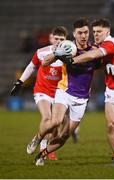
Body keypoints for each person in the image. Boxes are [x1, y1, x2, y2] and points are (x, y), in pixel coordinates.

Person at [58, 18, 114, 166]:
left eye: (99, 31)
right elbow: (96, 59)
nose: (96, 34)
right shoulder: (96, 45)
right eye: (94, 32)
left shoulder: (111, 42)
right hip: (112, 90)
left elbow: (93, 56)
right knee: (110, 125)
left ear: (107, 32)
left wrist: (72, 60)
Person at [26, 18, 101, 166]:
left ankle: (42, 154)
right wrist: (56, 53)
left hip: (82, 99)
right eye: (80, 33)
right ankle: (38, 137)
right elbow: (45, 63)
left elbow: (101, 63)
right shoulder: (67, 47)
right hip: (64, 92)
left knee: (65, 135)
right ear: (74, 34)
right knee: (56, 122)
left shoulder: (94, 50)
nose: (84, 36)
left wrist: (111, 68)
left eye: (86, 32)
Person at [10, 26, 69, 160]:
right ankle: (41, 144)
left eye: (62, 39)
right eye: (56, 38)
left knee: (56, 123)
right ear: (51, 38)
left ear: (66, 40)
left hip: (59, 93)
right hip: (42, 91)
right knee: (47, 117)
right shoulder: (42, 52)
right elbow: (31, 66)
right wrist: (19, 82)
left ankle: (45, 145)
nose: (58, 41)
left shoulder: (69, 54)